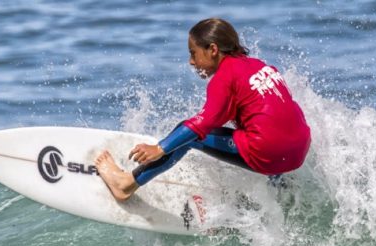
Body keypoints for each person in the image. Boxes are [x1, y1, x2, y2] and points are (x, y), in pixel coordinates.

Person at [95, 18, 311, 202]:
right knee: (268, 126)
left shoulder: (225, 76)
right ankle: (281, 189)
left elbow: (204, 122)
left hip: (269, 153)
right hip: (299, 150)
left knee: (190, 134)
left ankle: (126, 185)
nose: (191, 61)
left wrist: (160, 148)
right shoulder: (258, 65)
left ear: (213, 49)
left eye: (193, 53)